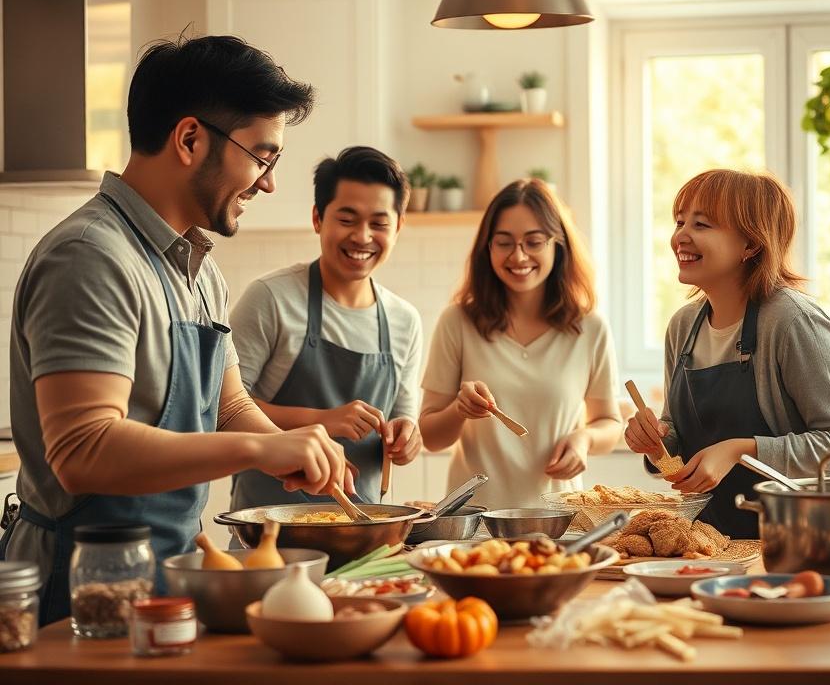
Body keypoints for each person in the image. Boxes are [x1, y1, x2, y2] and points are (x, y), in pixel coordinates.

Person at [1, 35, 351, 624]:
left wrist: (291, 452)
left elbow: (228, 402)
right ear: (190, 139)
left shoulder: (198, 266)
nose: (268, 183)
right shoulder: (91, 257)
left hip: (165, 575)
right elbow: (82, 449)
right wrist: (261, 448)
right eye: (262, 157)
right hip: (81, 591)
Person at [624, 168, 830, 538]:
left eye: (701, 225)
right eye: (679, 221)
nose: (680, 237)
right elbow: (675, 438)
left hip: (792, 542)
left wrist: (741, 450)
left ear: (750, 245)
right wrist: (655, 442)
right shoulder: (683, 326)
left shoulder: (793, 322)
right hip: (710, 543)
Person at [229, 147, 424, 509]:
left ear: (398, 227)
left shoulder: (405, 321)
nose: (363, 237)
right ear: (318, 218)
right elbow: (220, 411)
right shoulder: (272, 298)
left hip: (366, 533)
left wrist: (407, 439)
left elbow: (404, 419)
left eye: (379, 223)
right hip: (271, 536)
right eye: (347, 219)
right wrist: (322, 421)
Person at [419, 179, 622, 509]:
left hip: (559, 519)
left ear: (558, 245)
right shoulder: (457, 322)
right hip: (476, 522)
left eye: (533, 242)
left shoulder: (590, 328)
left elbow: (609, 423)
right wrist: (459, 410)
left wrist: (583, 439)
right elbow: (430, 435)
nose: (518, 255)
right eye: (504, 243)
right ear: (488, 248)